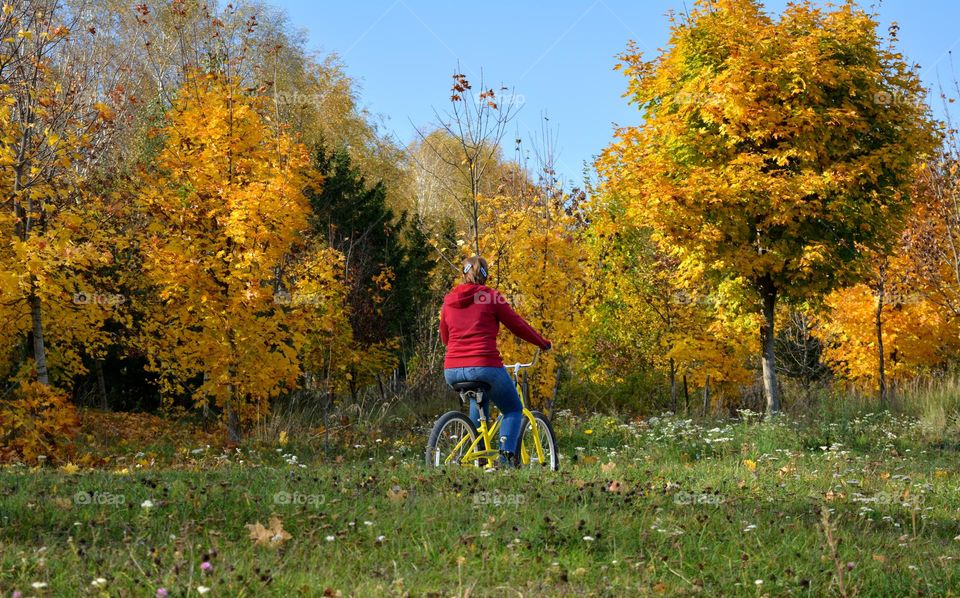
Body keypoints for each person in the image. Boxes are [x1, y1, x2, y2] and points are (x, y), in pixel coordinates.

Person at [439, 256, 552, 468]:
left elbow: (445, 338)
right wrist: (542, 343)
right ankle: (506, 463)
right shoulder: (490, 297)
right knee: (512, 409)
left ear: (463, 274)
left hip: (452, 369)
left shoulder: (448, 300)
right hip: (483, 365)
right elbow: (517, 324)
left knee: (478, 401)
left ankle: (480, 458)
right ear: (485, 276)